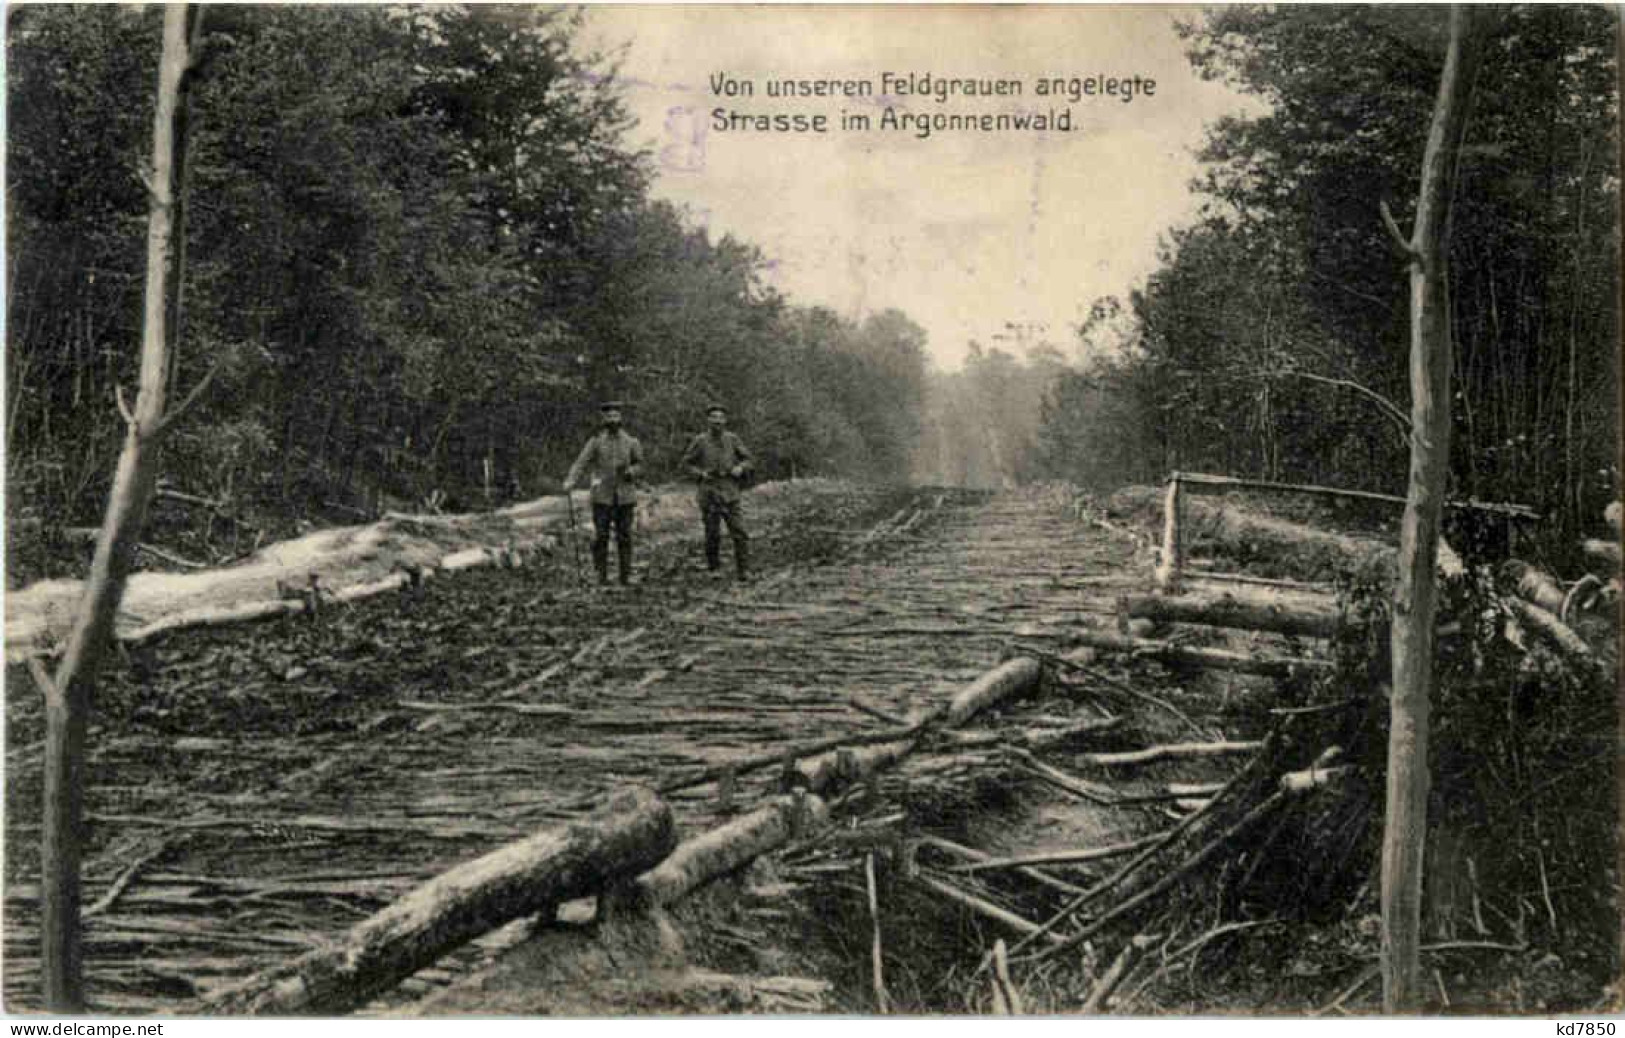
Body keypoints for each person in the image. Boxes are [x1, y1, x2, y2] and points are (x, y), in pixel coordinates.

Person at [564, 401, 644, 587]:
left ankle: (625, 576)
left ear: (621, 419)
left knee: (625, 536)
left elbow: (640, 464)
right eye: (609, 417)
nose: (613, 420)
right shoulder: (596, 442)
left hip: (625, 497)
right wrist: (570, 480)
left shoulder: (632, 442)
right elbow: (581, 462)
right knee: (601, 536)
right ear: (604, 419)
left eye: (616, 416)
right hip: (602, 497)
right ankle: (601, 575)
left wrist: (633, 471)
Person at [683, 404, 754, 580]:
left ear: (725, 420)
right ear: (708, 420)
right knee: (712, 533)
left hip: (730, 492)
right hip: (709, 492)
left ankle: (744, 570)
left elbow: (749, 459)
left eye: (721, 418)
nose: (717, 421)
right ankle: (714, 569)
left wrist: (740, 468)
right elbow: (686, 464)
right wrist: (700, 474)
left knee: (739, 531)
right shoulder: (700, 441)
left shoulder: (733, 439)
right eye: (713, 417)